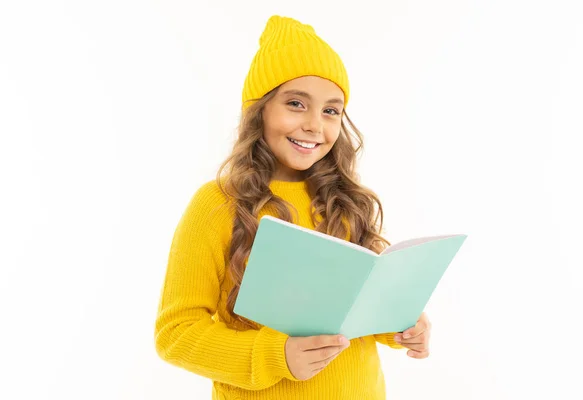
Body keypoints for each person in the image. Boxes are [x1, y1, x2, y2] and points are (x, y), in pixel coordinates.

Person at [154, 15, 432, 400]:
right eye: (296, 104)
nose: (315, 125)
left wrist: (401, 326)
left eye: (331, 111)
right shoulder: (218, 203)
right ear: (260, 110)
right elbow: (176, 333)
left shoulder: (345, 202)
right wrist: (276, 356)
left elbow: (356, 311)